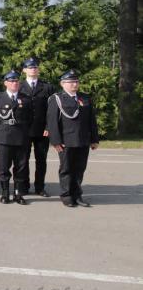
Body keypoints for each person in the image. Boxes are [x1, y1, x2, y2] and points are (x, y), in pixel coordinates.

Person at [47, 70, 99, 207]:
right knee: (66, 169)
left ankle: (77, 195)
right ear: (62, 84)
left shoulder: (85, 98)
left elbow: (91, 120)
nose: (74, 84)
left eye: (76, 81)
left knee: (80, 169)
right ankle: (66, 195)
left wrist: (94, 139)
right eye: (71, 82)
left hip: (83, 140)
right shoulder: (57, 99)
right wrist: (56, 141)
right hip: (66, 141)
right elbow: (52, 122)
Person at [0, 70, 32, 205]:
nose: (14, 83)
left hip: (21, 136)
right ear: (5, 83)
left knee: (21, 167)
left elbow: (30, 118)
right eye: (11, 81)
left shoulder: (26, 98)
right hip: (3, 136)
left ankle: (18, 194)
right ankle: (5, 193)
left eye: (17, 81)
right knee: (4, 167)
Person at [20, 57, 55, 197]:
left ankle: (40, 187)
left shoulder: (47, 87)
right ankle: (24, 186)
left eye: (35, 67)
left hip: (42, 130)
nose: (33, 69)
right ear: (24, 70)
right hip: (24, 130)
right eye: (30, 67)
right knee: (23, 160)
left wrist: (49, 127)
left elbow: (52, 110)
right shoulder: (19, 86)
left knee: (41, 160)